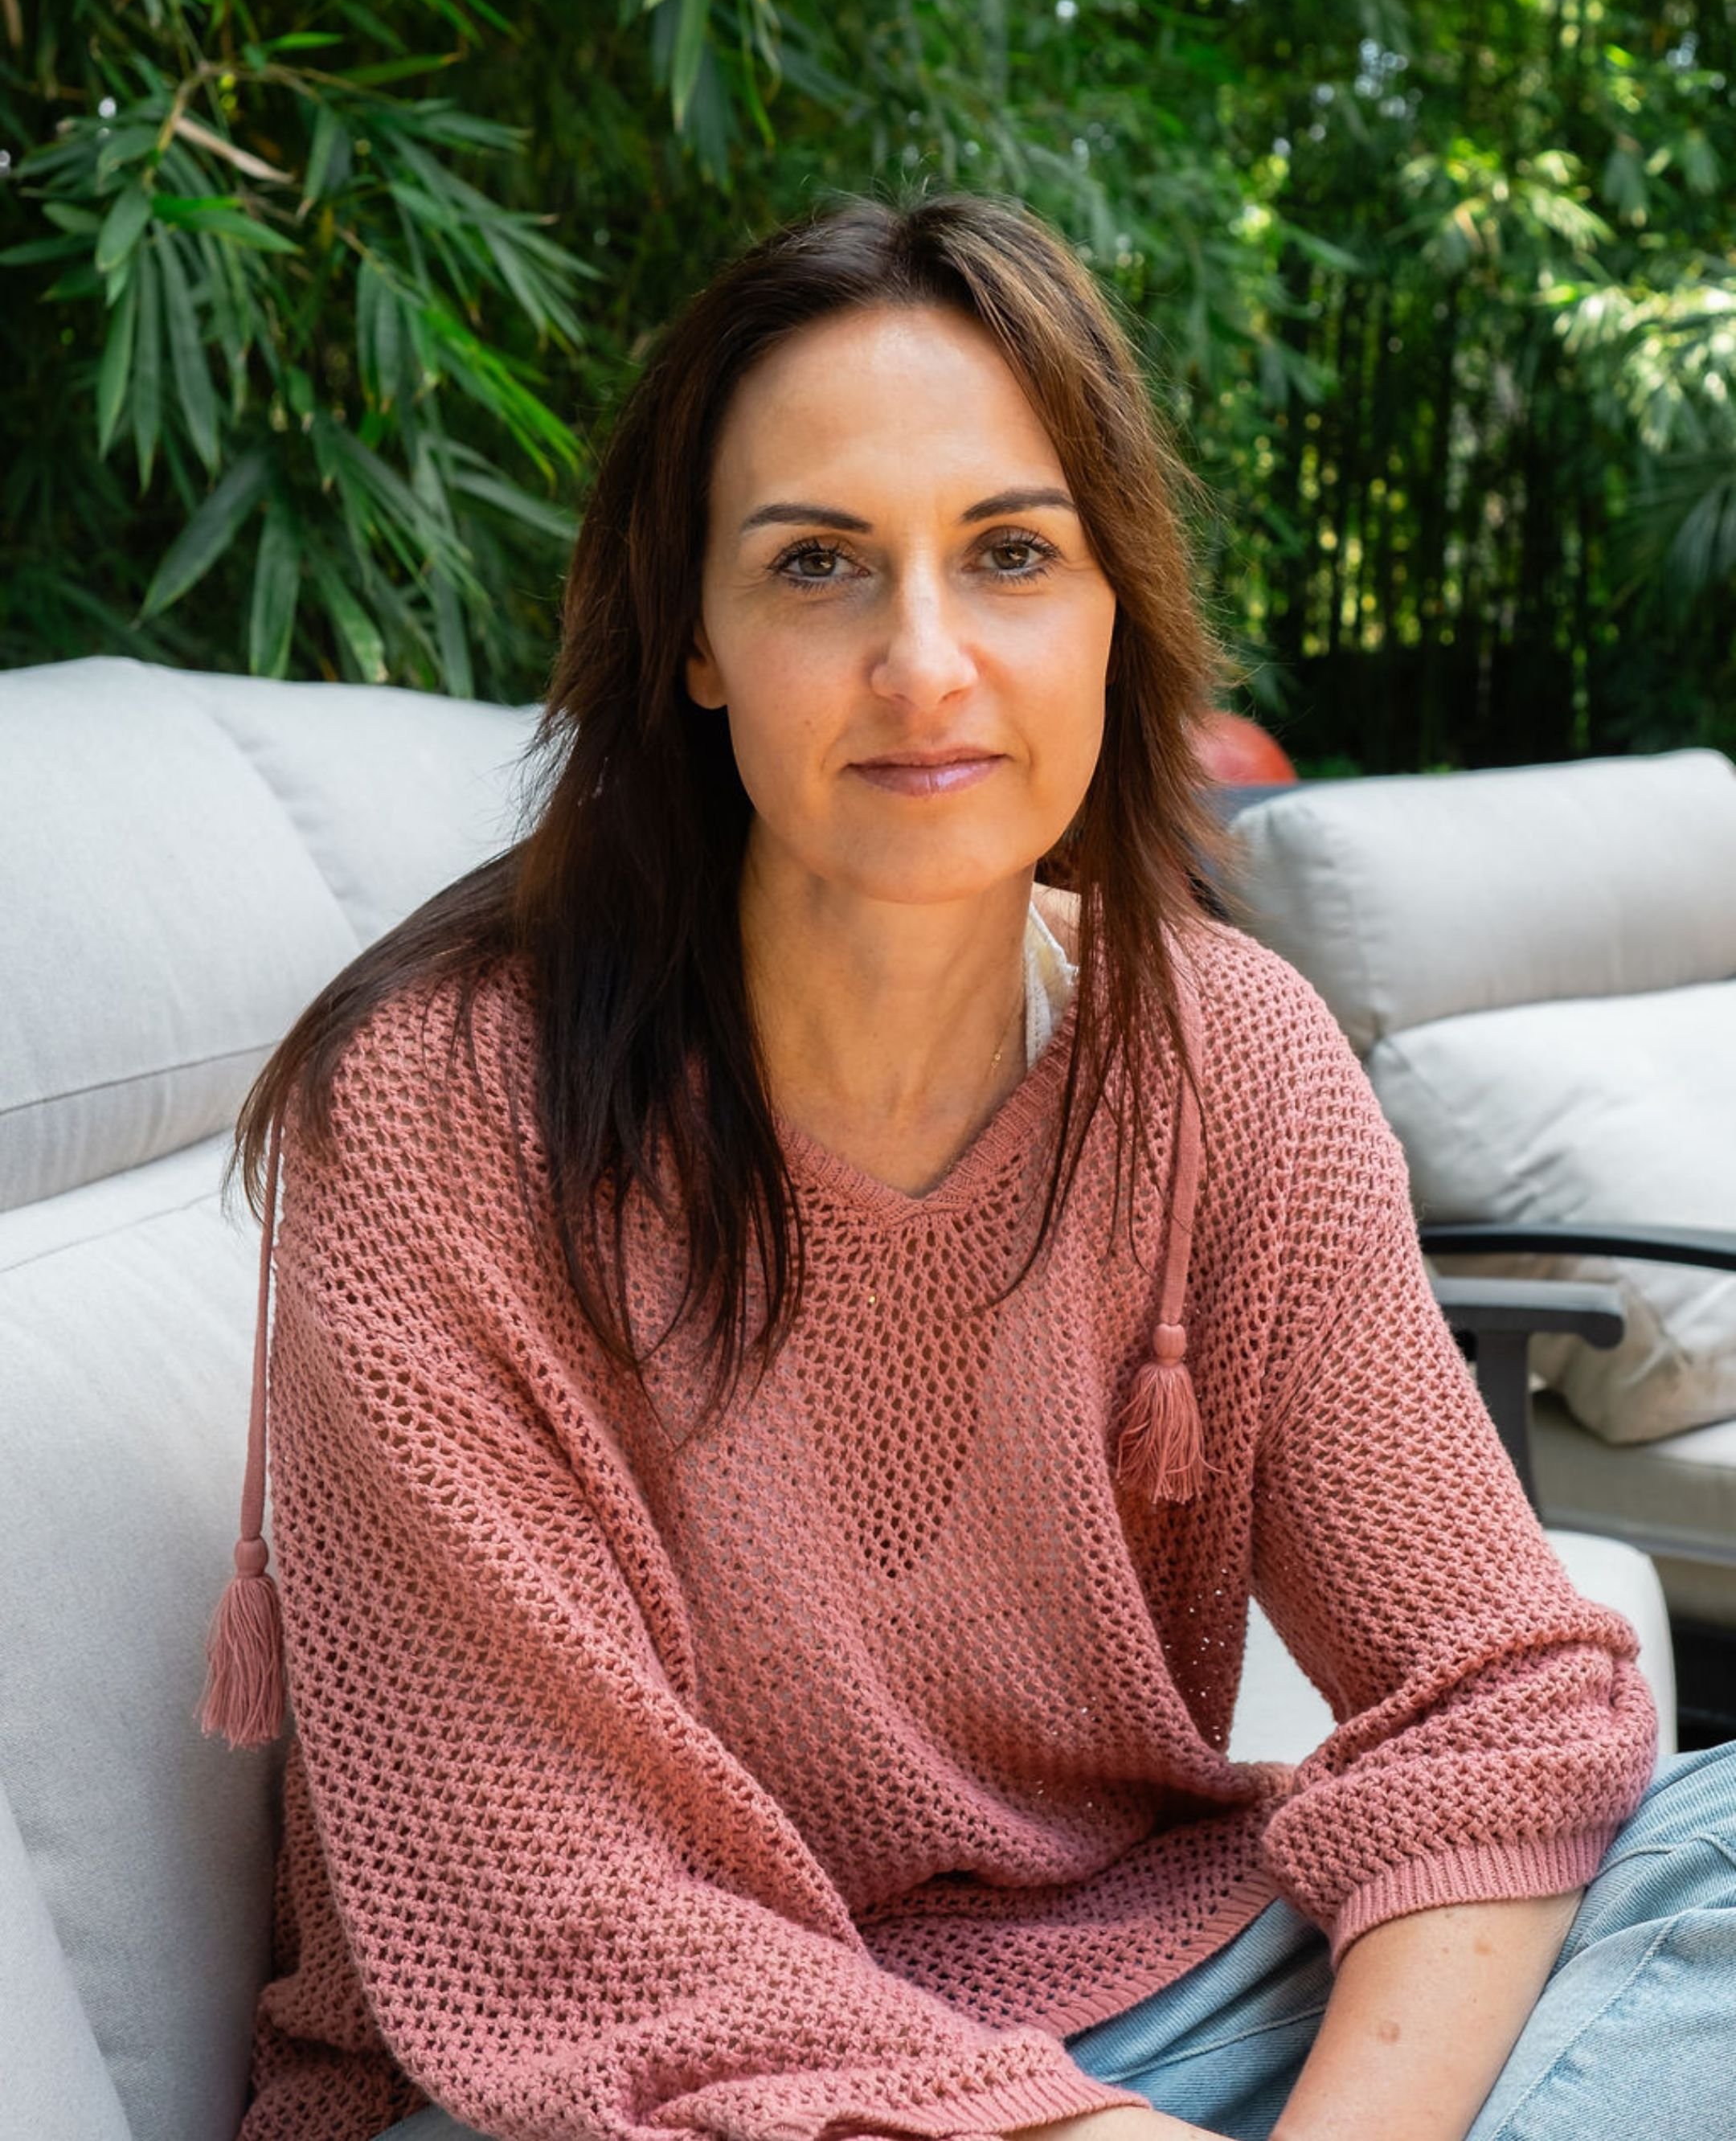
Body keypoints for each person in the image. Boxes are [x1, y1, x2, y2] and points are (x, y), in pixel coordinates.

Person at [202, 194, 1732, 2141]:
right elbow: (555, 1924)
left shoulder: (1227, 1059)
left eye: (1011, 554)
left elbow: (1498, 1691)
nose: (925, 665)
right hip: (647, 2078)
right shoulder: (439, 1116)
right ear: (694, 638)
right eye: (819, 565)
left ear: (1113, 609)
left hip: (1164, 1998)